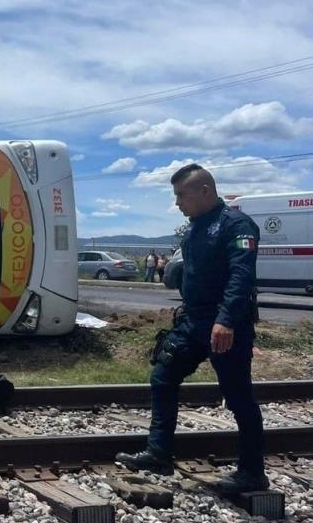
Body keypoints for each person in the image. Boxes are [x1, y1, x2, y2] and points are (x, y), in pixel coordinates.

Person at [116, 163, 266, 493]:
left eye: (181, 195)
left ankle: (252, 472)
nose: (177, 202)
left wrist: (226, 320)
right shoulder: (195, 227)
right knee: (163, 376)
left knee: (238, 396)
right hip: (194, 323)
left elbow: (241, 278)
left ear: (205, 191)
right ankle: (159, 453)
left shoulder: (236, 225)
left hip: (226, 326)